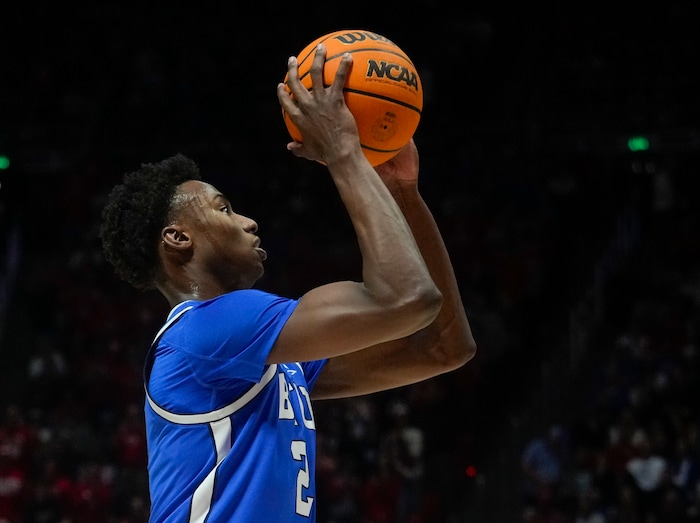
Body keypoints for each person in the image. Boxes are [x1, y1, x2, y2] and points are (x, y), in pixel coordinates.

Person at [99, 43, 476, 523]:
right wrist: (343, 153)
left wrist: (402, 193)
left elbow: (443, 347)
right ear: (177, 239)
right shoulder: (206, 332)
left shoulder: (261, 360)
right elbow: (406, 299)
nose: (250, 221)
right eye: (223, 208)